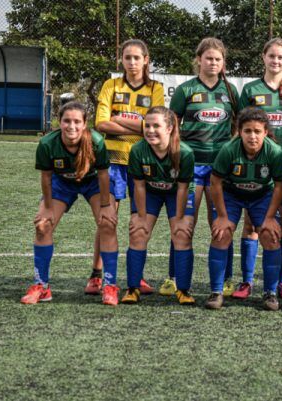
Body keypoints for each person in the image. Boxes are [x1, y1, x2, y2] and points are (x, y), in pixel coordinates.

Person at [21, 102, 119, 306]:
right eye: (66, 121)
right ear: (60, 122)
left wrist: (105, 204)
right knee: (42, 226)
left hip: (93, 183)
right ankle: (42, 286)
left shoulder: (96, 142)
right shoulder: (48, 143)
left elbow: (103, 175)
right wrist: (47, 207)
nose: (71, 126)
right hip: (62, 183)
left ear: (85, 124)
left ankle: (109, 285)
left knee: (107, 223)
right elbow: (46, 177)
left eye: (77, 121)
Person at [91, 39, 165, 296]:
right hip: (112, 162)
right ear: (121, 60)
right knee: (107, 220)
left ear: (146, 60)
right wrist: (139, 125)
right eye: (127, 57)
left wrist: (119, 119)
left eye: (137, 58)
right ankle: (96, 275)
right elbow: (100, 123)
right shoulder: (110, 85)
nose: (132, 62)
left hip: (142, 163)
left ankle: (137, 276)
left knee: (139, 220)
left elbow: (155, 125)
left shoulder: (156, 88)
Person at [235, 38, 282, 301]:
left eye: (281, 57)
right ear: (263, 57)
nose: (275, 61)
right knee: (252, 224)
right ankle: (246, 281)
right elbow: (241, 126)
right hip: (255, 164)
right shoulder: (251, 89)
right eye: (271, 56)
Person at [169, 37, 238, 297]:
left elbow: (238, 125)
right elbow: (172, 126)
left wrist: (229, 152)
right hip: (192, 165)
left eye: (218, 59)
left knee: (220, 223)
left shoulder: (231, 92)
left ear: (223, 63)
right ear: (199, 60)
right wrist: (178, 156)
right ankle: (173, 277)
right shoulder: (185, 90)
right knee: (184, 221)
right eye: (208, 58)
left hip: (220, 168)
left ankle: (226, 279)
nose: (213, 63)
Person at [206, 107, 282, 311]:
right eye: (247, 131)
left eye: (257, 131)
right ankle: (216, 291)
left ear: (266, 132)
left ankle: (269, 292)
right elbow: (215, 182)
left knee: (270, 235)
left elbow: (279, 185)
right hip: (231, 194)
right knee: (221, 233)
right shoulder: (229, 150)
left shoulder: (274, 152)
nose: (252, 136)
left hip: (262, 195)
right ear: (239, 132)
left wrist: (269, 218)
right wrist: (222, 216)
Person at [121, 107, 196, 305]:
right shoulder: (138, 150)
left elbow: (182, 189)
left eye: (157, 126)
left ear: (170, 128)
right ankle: (133, 287)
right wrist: (140, 216)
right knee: (138, 231)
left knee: (182, 234)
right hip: (149, 192)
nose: (151, 130)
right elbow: (138, 186)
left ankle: (183, 290)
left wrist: (180, 219)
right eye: (147, 125)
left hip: (176, 193)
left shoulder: (184, 153)